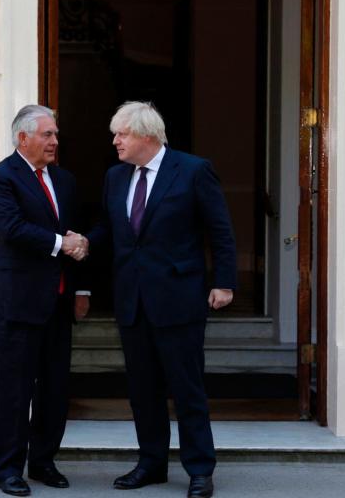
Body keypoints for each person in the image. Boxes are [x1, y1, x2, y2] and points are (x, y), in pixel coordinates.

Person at [86, 101, 236, 498]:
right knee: (143, 391)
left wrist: (224, 282)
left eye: (122, 134)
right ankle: (151, 464)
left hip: (178, 299)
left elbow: (219, 230)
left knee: (187, 388)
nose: (115, 141)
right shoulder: (115, 177)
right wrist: (84, 244)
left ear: (147, 136)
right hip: (132, 301)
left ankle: (200, 470)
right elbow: (109, 226)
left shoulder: (191, 170)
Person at [0, 104, 90, 496]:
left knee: (55, 388)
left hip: (58, 302)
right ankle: (7, 469)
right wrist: (64, 244)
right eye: (48, 135)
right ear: (22, 137)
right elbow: (11, 229)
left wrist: (81, 289)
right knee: (14, 388)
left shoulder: (64, 180)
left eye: (56, 135)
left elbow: (75, 234)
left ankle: (43, 461)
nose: (55, 142)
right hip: (18, 301)